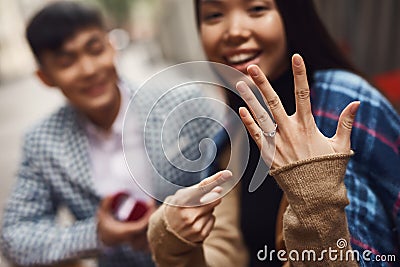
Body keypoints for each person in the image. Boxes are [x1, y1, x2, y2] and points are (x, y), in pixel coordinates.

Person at [148, 0, 400, 266]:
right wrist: (174, 243)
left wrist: (314, 197)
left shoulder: (348, 103)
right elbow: (228, 252)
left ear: (292, 16)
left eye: (257, 9)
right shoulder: (230, 138)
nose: (234, 30)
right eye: (214, 15)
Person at [0, 1, 226, 266]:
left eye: (95, 50)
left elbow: (237, 189)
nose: (89, 70)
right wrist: (97, 234)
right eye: (66, 62)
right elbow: (14, 237)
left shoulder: (183, 104)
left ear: (111, 46)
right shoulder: (42, 143)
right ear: (45, 77)